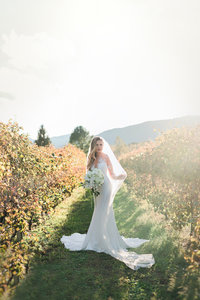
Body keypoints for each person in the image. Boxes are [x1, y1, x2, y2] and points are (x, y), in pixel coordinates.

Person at [61, 136, 155, 270]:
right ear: (93, 146)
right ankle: (97, 238)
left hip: (106, 188)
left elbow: (112, 174)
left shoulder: (106, 157)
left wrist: (120, 176)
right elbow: (89, 174)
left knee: (105, 212)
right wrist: (91, 183)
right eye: (97, 145)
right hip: (97, 189)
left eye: (101, 144)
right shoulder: (91, 158)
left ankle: (105, 239)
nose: (100, 147)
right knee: (98, 211)